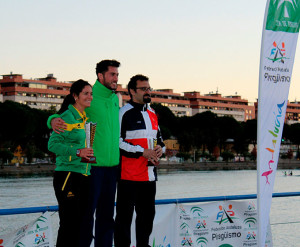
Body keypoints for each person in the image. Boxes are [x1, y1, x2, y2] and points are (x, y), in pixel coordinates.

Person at [48, 60, 121, 247]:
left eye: (117, 74)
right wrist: (52, 119)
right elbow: (65, 113)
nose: (116, 78)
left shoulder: (115, 98)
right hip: (91, 168)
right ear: (100, 75)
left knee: (106, 217)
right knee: (83, 219)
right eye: (112, 74)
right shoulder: (90, 94)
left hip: (112, 168)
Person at [114, 74, 165, 247]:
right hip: (128, 177)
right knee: (123, 221)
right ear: (132, 91)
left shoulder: (153, 113)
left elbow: (161, 142)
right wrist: (142, 152)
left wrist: (160, 150)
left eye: (149, 88)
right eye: (143, 89)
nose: (148, 92)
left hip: (149, 177)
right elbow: (117, 143)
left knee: (147, 217)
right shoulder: (122, 113)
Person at [48, 79, 94, 247]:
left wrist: (86, 152)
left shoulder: (85, 118)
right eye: (86, 93)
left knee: (80, 225)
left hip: (84, 174)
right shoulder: (66, 117)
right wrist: (77, 152)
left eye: (91, 93)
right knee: (69, 224)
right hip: (68, 174)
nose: (90, 97)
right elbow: (52, 144)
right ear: (75, 96)